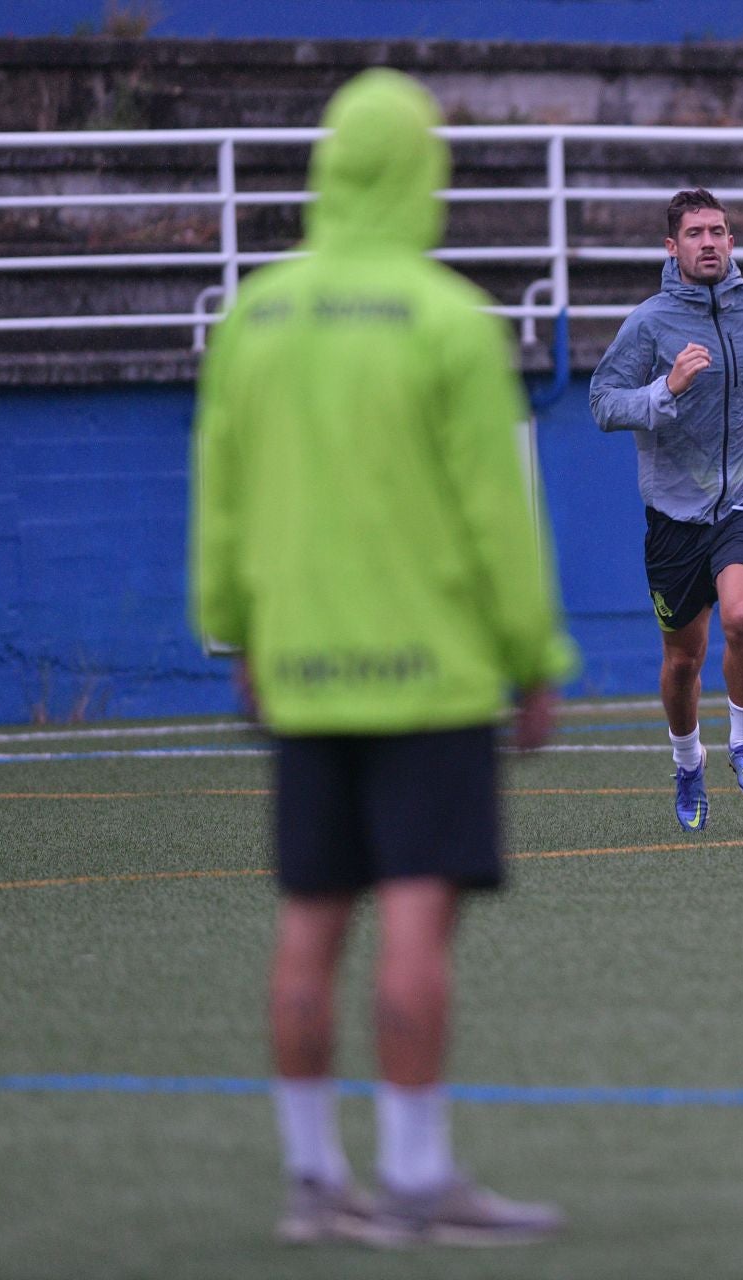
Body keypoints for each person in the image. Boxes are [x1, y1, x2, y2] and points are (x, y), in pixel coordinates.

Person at [189, 68, 579, 1248]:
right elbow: (495, 516)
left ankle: (315, 1180)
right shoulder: (448, 317)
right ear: (423, 171)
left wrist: (238, 634)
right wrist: (535, 655)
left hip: (304, 666)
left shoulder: (257, 315)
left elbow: (222, 502)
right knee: (415, 926)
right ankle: (416, 1178)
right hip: (434, 674)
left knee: (309, 923)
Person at [588, 188, 743, 832]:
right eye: (695, 233)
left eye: (719, 231)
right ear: (671, 247)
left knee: (741, 616)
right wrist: (666, 389)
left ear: (732, 242)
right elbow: (603, 402)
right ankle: (688, 762)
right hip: (675, 514)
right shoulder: (649, 323)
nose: (708, 242)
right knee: (683, 657)